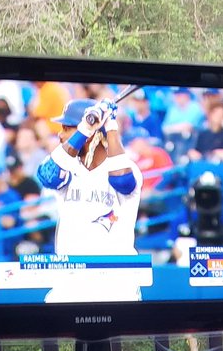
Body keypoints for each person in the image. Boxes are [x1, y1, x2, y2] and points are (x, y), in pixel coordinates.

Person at [35, 98, 144, 302]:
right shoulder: (67, 166)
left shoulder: (128, 168)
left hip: (116, 282)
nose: (60, 134)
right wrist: (84, 129)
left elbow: (122, 180)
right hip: (70, 280)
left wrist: (110, 127)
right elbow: (47, 175)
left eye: (67, 128)